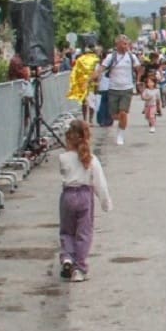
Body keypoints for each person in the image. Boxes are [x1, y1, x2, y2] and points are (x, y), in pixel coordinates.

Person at [56, 119, 113, 283]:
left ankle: (67, 257)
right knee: (84, 233)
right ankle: (79, 268)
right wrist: (105, 202)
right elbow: (99, 182)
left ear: (68, 138)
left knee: (67, 230)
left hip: (67, 195)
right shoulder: (91, 159)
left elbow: (64, 173)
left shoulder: (63, 158)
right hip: (85, 196)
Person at [94, 35, 142, 145]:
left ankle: (120, 134)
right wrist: (95, 76)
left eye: (127, 44)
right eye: (124, 44)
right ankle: (120, 123)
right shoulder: (111, 57)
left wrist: (138, 80)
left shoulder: (131, 57)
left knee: (123, 112)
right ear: (118, 44)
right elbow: (102, 68)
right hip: (113, 88)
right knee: (114, 115)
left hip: (127, 88)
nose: (126, 46)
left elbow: (139, 69)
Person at [69, 43, 100, 118]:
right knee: (84, 103)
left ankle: (90, 119)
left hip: (92, 84)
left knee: (91, 102)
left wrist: (97, 84)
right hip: (83, 84)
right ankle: (85, 118)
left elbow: (97, 73)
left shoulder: (96, 61)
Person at [138, 67, 162, 134]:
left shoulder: (157, 90)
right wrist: (146, 98)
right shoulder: (146, 90)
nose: (150, 84)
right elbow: (143, 97)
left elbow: (158, 99)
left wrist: (159, 107)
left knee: (152, 115)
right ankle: (151, 121)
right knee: (147, 116)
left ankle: (153, 126)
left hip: (153, 105)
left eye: (151, 82)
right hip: (147, 105)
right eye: (149, 82)